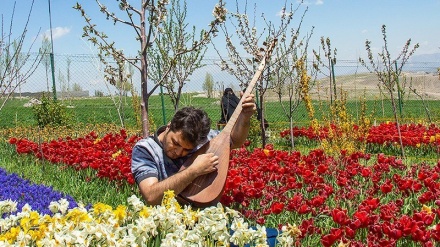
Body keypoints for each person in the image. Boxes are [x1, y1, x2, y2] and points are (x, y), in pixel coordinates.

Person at [131, 93, 256, 206]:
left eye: (187, 150)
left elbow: (234, 141)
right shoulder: (145, 150)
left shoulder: (202, 140)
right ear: (169, 126)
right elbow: (151, 196)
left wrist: (244, 117)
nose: (179, 152)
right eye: (175, 143)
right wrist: (194, 170)